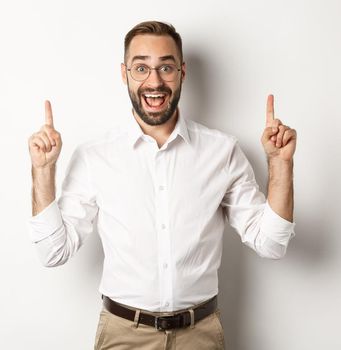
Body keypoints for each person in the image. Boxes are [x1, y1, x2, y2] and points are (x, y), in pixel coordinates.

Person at [27, 21, 297, 350]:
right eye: (141, 68)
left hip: (200, 335)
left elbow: (270, 244)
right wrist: (43, 170)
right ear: (124, 73)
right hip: (123, 335)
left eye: (165, 67)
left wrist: (280, 165)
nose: (154, 82)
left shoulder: (222, 151)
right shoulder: (94, 156)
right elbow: (53, 251)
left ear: (182, 72)